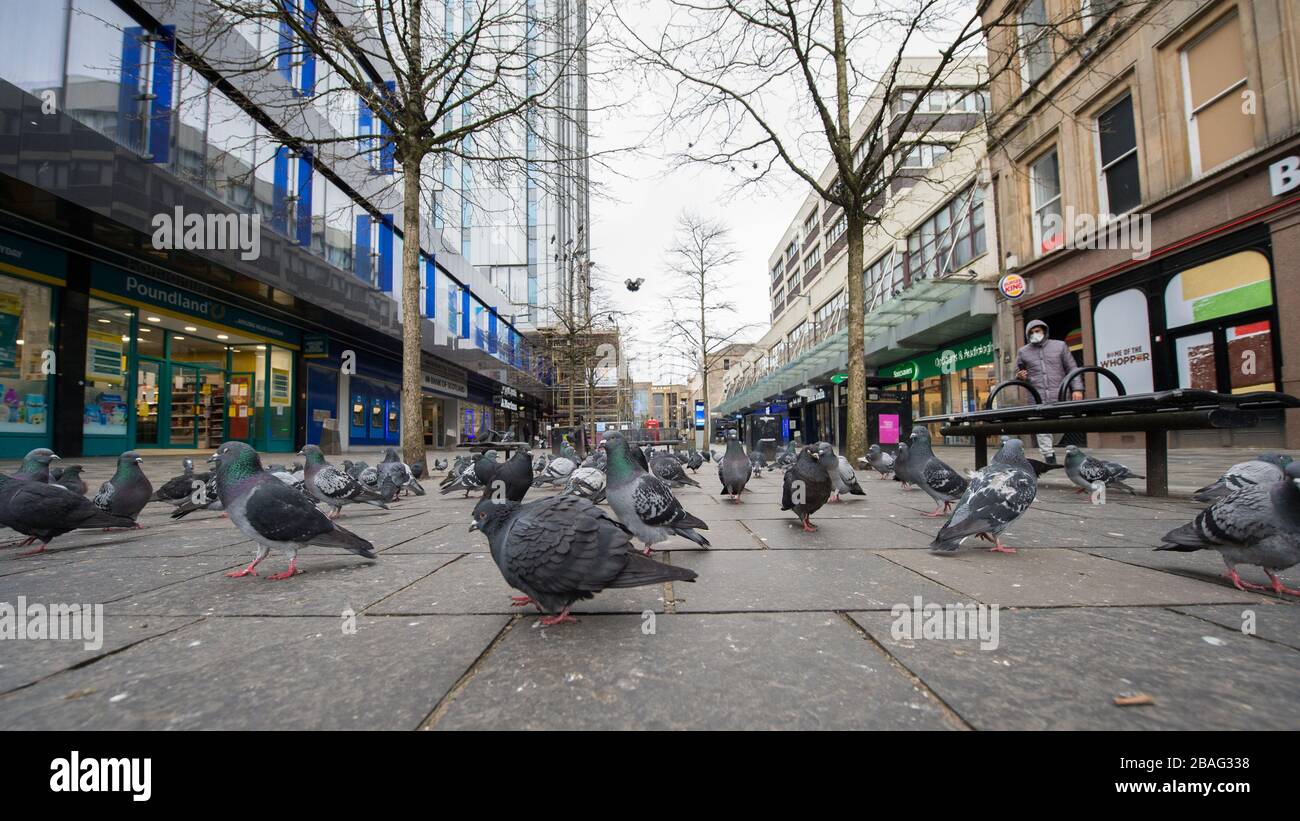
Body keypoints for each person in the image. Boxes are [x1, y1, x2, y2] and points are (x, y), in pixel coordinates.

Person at [1015, 318, 1083, 464]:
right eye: (1032, 332)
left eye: (1037, 331)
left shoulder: (1060, 346)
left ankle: (1051, 447)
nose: (1035, 334)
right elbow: (1018, 370)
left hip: (1060, 394)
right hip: (1037, 396)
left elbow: (1072, 368)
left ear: (1044, 331)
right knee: (1043, 427)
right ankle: (1049, 455)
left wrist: (1077, 389)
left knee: (1059, 426)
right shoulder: (1023, 352)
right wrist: (1020, 376)